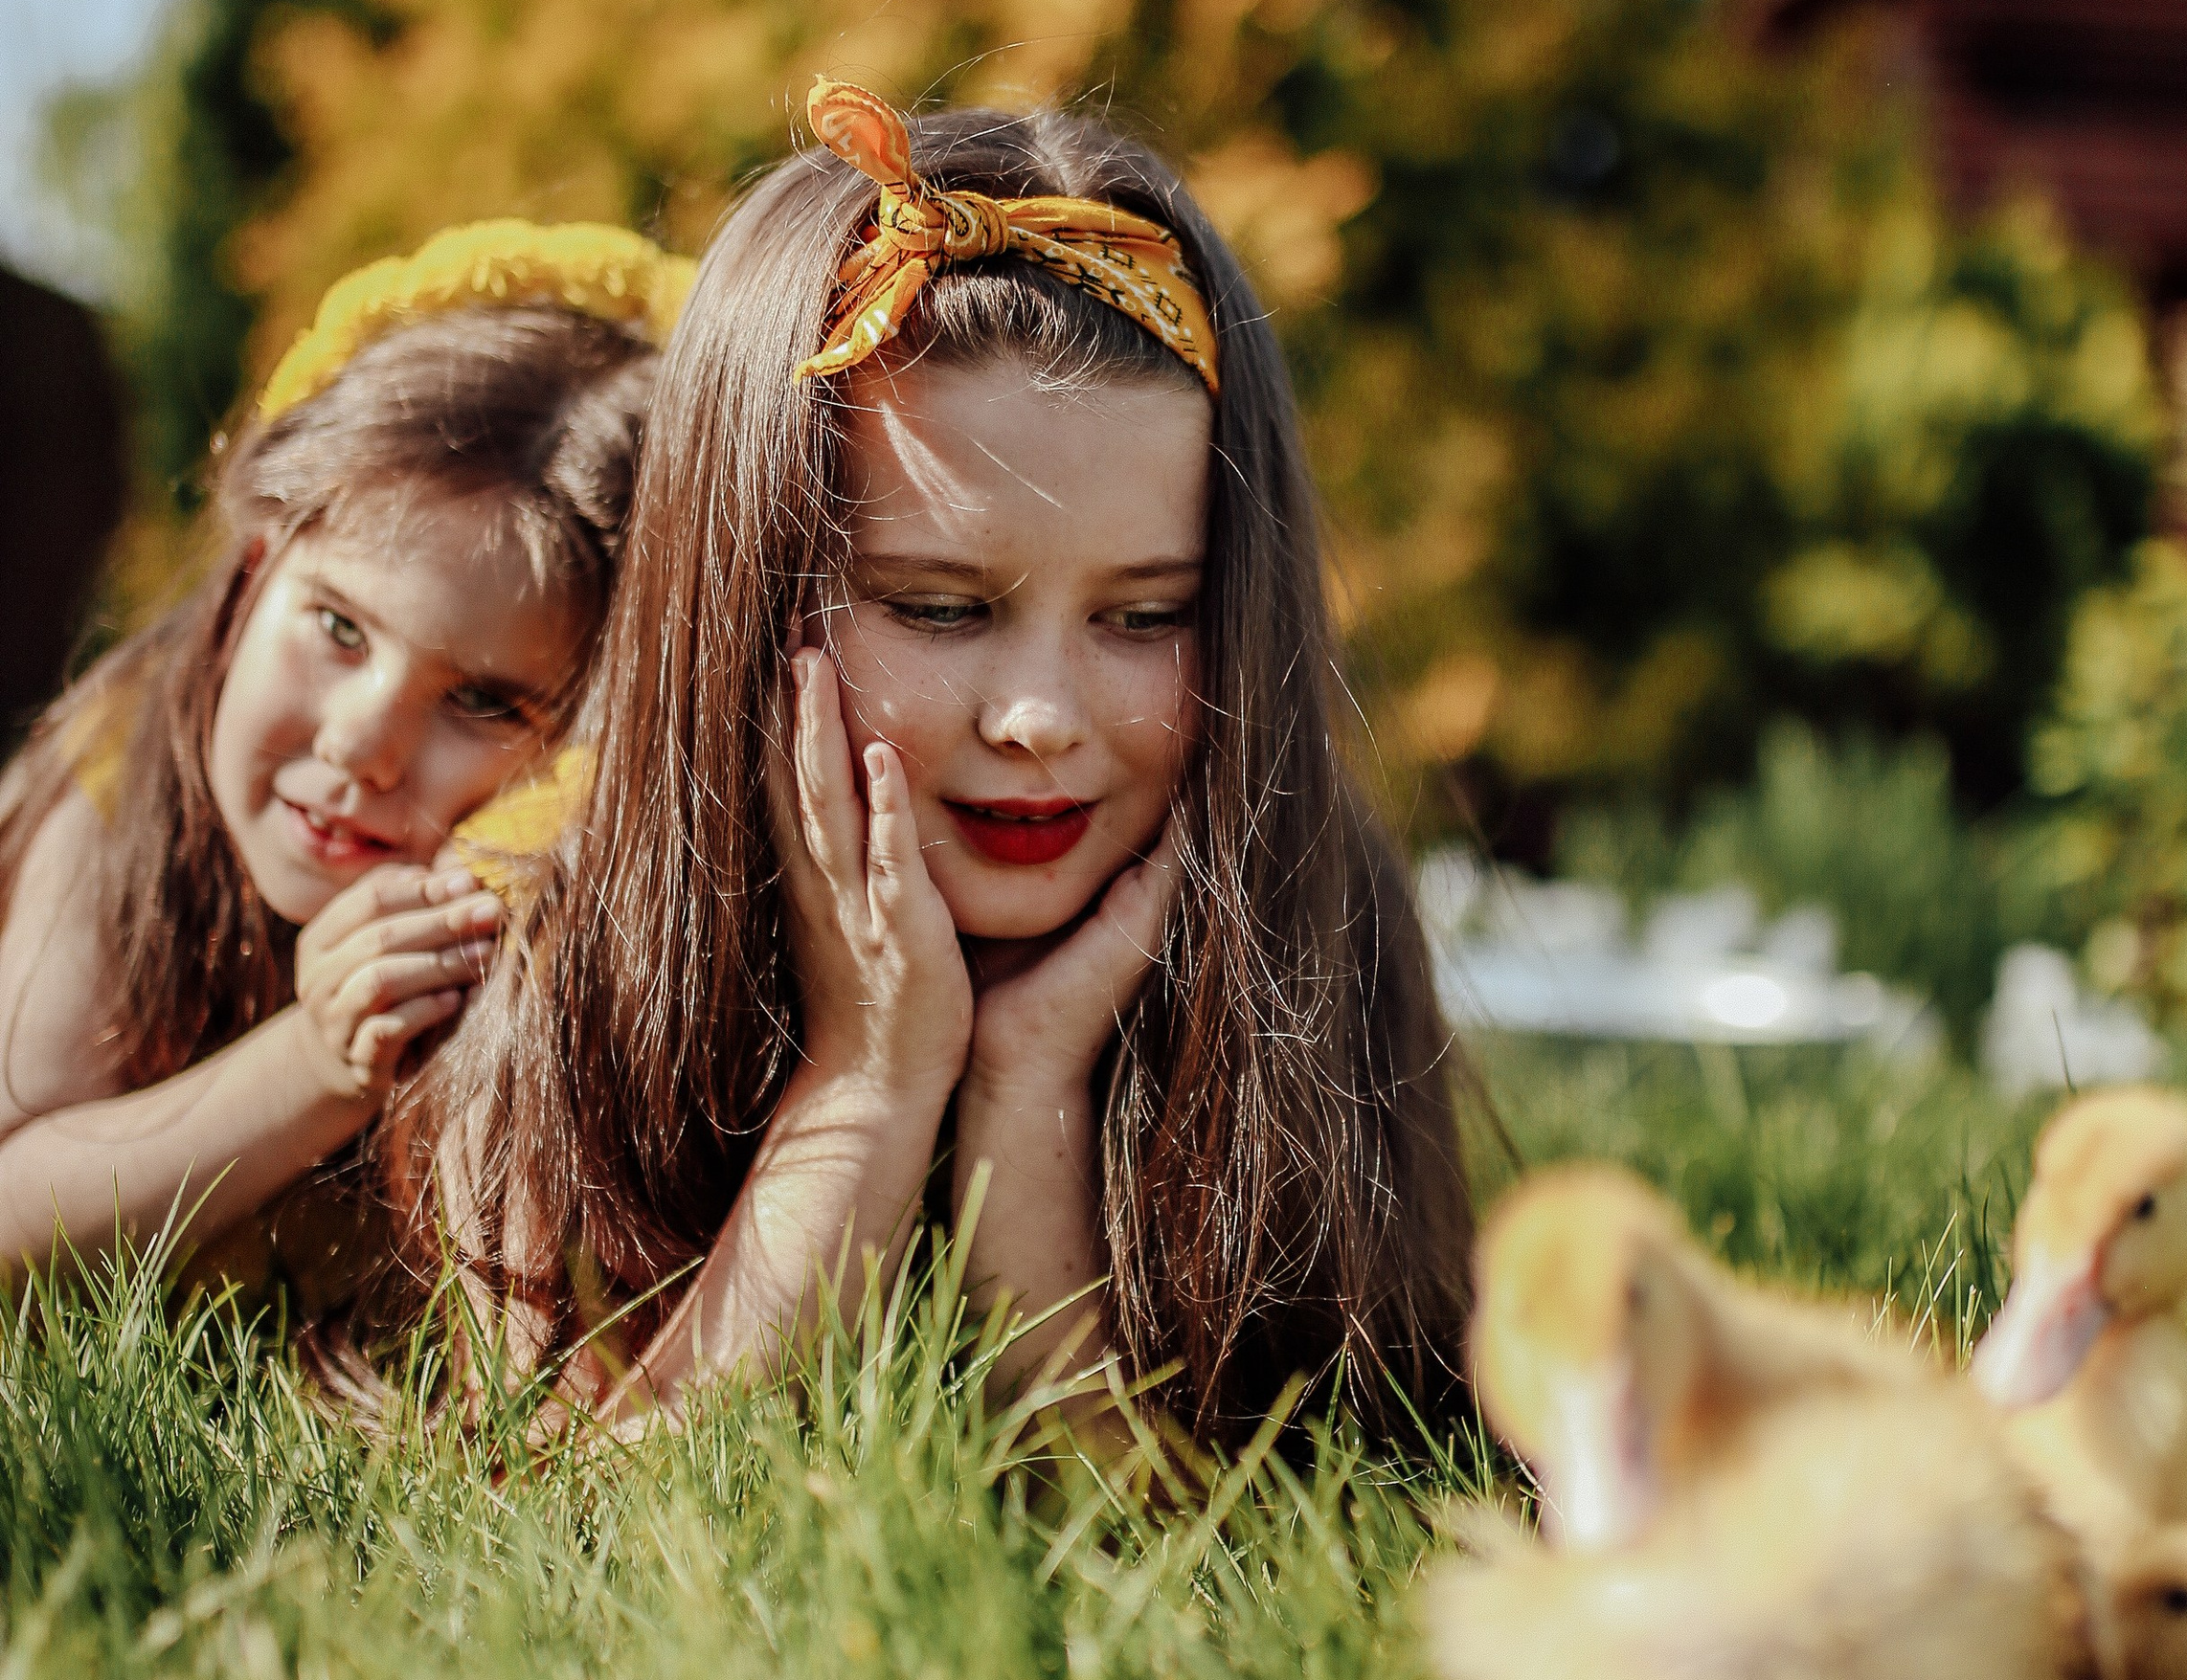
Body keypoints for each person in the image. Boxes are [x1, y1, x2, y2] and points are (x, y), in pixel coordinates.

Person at [413, 83, 1471, 1436]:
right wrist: (871, 1073)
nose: (1039, 716)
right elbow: (590, 1533)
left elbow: (1192, 1567)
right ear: (741, 602)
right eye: (939, 608)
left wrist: (1023, 1094)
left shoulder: (1321, 934)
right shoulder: (552, 944)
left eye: (1146, 616)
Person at [0, 223, 690, 1306]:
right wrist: (316, 1063)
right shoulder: (123, 766)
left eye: (483, 700)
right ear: (255, 569)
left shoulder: (587, 896)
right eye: (338, 629)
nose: (361, 746)